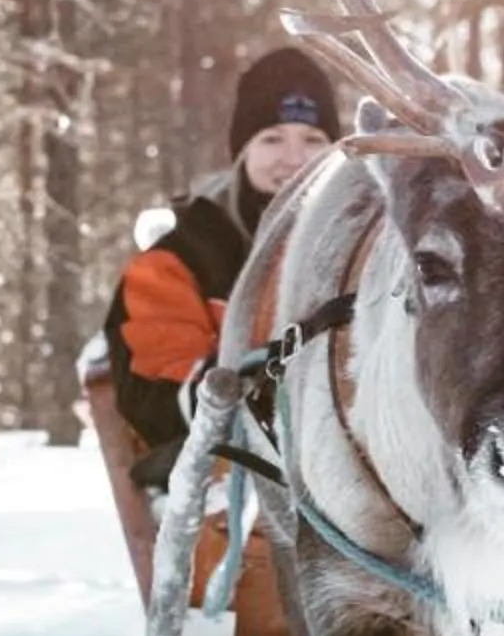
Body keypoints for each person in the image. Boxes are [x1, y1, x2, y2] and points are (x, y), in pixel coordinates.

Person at [104, 46, 340, 488]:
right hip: (236, 495)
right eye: (272, 138)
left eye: (313, 140)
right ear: (242, 150)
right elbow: (160, 402)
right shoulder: (180, 260)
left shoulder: (373, 253)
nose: (294, 159)